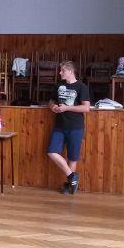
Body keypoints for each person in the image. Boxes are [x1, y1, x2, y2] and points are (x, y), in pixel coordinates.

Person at [46, 61, 91, 195]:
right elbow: (51, 100)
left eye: (62, 71)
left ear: (70, 71)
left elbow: (86, 108)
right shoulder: (59, 85)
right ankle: (72, 177)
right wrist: (53, 107)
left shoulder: (82, 87)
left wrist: (67, 108)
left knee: (72, 158)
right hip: (59, 126)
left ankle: (69, 185)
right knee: (51, 152)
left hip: (75, 126)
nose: (60, 73)